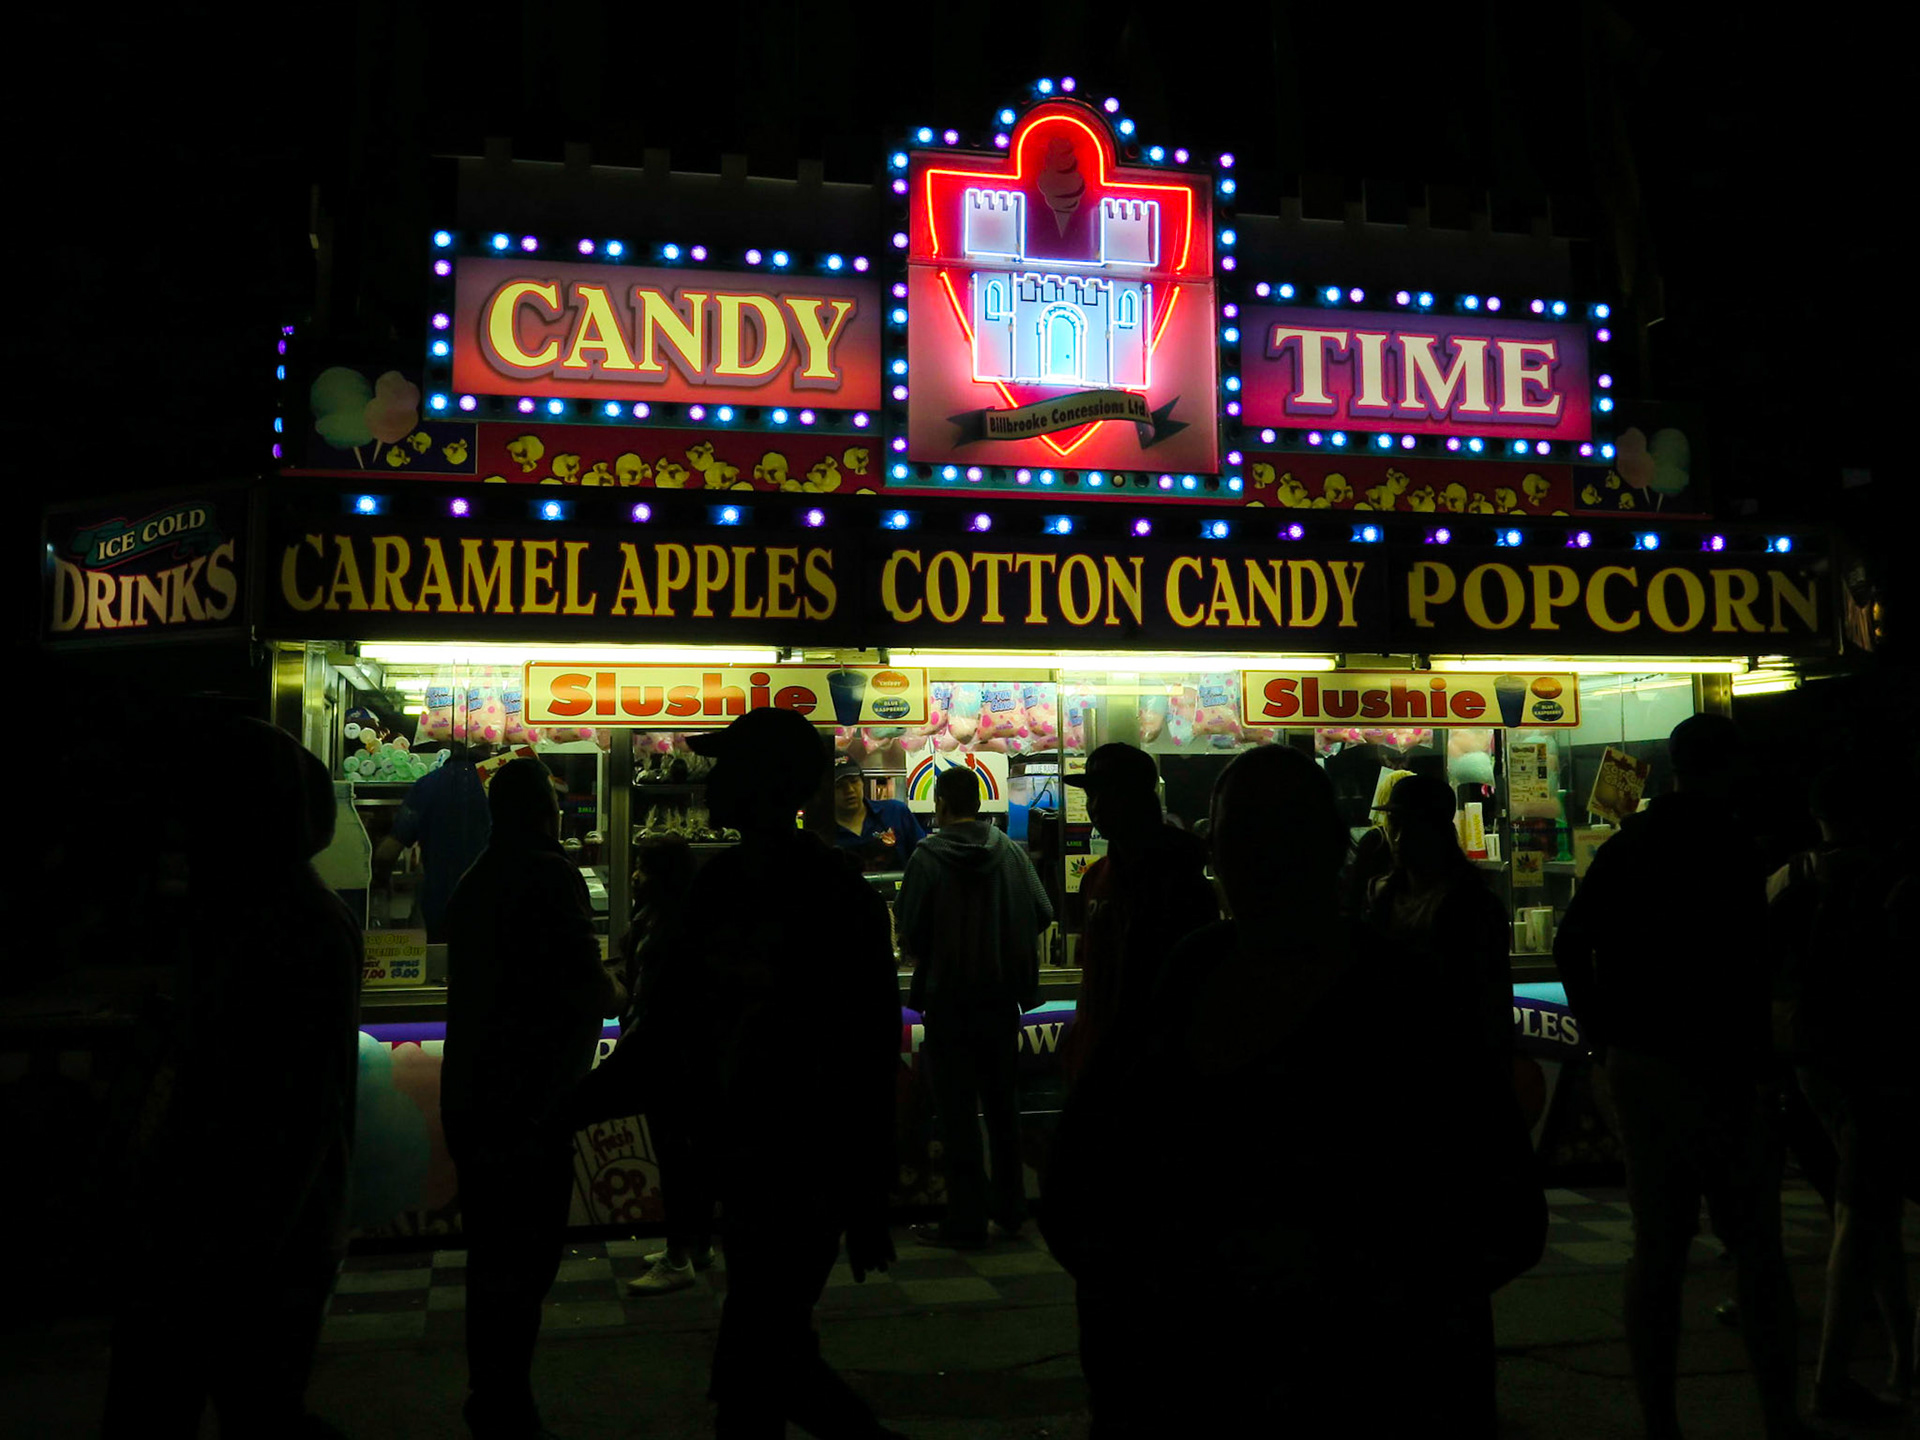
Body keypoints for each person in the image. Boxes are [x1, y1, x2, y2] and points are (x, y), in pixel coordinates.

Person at [1040, 746, 1487, 1435]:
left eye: (1282, 834)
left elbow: (1492, 1214)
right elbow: (1083, 1171)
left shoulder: (1399, 998)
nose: (1260, 859)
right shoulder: (1191, 970)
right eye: (1240, 835)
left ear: (1334, 848)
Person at [1556, 714, 1817, 1440]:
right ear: (1729, 767)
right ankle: (1778, 1416)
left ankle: (1660, 1421)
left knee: (1657, 1247)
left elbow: (1571, 941)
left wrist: (1602, 1040)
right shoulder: (1734, 848)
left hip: (1645, 1065)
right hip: (1726, 1066)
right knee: (1756, 1244)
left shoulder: (1630, 843)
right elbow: (1749, 966)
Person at [104, 718, 362, 1438]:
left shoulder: (288, 925)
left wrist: (236, 1255)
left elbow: (292, 1114)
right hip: (232, 1237)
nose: (182, 831)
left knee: (221, 1408)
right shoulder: (255, 914)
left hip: (237, 1242)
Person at [653, 707, 905, 1439]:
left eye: (726, 767)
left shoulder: (801, 892)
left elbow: (864, 1044)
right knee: (767, 1359)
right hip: (759, 1164)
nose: (710, 780)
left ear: (764, 785)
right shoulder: (740, 883)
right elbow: (682, 1028)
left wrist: (863, 1190)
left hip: (795, 1167)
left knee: (760, 1362)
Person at [442, 758, 624, 1440]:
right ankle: (503, 1402)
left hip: (472, 1095)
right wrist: (621, 991)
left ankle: (491, 1393)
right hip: (528, 1101)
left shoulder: (475, 880)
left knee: (492, 1257)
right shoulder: (550, 874)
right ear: (547, 814)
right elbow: (586, 982)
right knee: (523, 1259)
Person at [1363, 770, 1545, 1426]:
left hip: (1451, 1098)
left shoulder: (1468, 905)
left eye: (1402, 822)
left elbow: (1487, 1013)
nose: (1394, 834)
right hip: (1395, 1099)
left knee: (1456, 1269)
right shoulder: (1381, 895)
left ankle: (1461, 1402)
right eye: (1393, 823)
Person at [1770, 766, 1913, 1417]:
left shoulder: (1787, 877)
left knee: (1870, 1208)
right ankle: (1832, 1381)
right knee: (1862, 1215)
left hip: (1806, 1060)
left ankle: (1903, 1358)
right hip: (1878, 1062)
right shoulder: (1894, 879)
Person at [897, 764, 1053, 1249]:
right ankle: (1010, 1212)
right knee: (1003, 1110)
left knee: (958, 1113)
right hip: (1001, 1000)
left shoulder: (927, 856)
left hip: (949, 1002)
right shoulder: (1008, 851)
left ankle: (964, 1220)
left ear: (940, 804)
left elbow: (910, 932)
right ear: (981, 804)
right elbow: (1044, 911)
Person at [1057, 742, 1217, 1087]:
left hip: (1157, 1074)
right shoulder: (1096, 876)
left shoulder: (1179, 879)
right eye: (1091, 795)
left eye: (1108, 794)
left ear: (1140, 799)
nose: (1095, 807)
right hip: (1098, 1065)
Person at [621, 837, 717, 1296]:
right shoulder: (668, 917)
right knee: (687, 1155)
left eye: (643, 868)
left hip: (672, 1054)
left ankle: (678, 1259)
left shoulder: (674, 926)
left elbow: (657, 996)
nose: (636, 876)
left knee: (677, 1157)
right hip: (683, 1053)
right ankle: (695, 1245)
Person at [373, 740, 491, 941]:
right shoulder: (501, 785)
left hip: (440, 904)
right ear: (491, 746)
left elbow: (388, 852)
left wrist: (380, 885)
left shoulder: (427, 785)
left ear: (452, 744)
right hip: (494, 906)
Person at [829, 753, 925, 873]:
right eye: (839, 786)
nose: (849, 790)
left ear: (862, 782)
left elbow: (924, 859)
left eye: (854, 782)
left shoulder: (896, 812)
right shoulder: (823, 833)